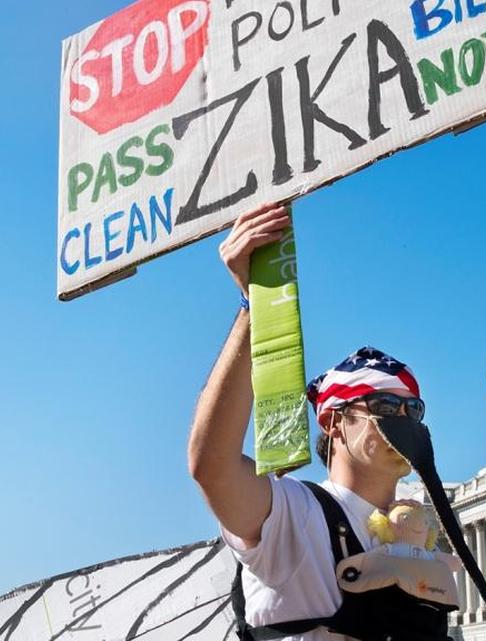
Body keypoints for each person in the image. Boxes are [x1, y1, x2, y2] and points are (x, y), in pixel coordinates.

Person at [187, 202, 442, 641]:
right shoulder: (295, 514)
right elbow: (213, 465)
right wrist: (257, 306)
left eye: (412, 410)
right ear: (335, 422)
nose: (403, 420)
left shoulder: (418, 534)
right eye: (383, 406)